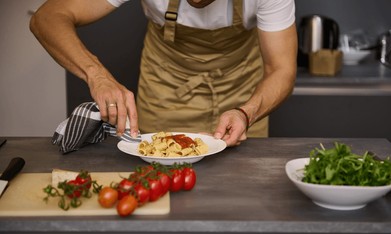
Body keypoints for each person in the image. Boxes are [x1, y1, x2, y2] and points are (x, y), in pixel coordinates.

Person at [30, 0, 297, 147]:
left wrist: (246, 112)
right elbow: (47, 17)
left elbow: (281, 69)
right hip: (165, 91)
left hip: (243, 95)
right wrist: (97, 75)